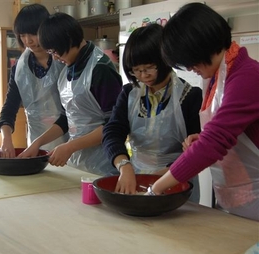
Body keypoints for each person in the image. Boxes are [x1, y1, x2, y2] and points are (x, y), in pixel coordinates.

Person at [149, 3, 259, 221]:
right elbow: (230, 131)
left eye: (188, 61)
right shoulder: (216, 76)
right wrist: (201, 138)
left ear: (200, 46)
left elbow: (216, 140)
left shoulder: (247, 76)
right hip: (235, 196)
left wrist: (157, 187)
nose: (189, 68)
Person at [102, 24, 202, 202]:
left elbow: (196, 152)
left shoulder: (189, 96)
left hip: (176, 180)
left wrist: (160, 177)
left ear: (165, 60)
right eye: (136, 70)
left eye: (149, 68)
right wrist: (124, 166)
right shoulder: (129, 94)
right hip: (135, 177)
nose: (143, 76)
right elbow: (112, 132)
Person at [19, 12, 123, 177]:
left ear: (68, 39)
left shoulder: (100, 69)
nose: (55, 57)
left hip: (103, 164)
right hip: (78, 164)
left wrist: (70, 146)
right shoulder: (67, 69)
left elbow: (114, 126)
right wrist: (38, 143)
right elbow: (67, 118)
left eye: (54, 51)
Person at [0, 4, 68, 158]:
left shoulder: (64, 60)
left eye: (33, 34)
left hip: (70, 141)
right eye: (22, 35)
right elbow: (10, 106)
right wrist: (6, 138)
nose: (28, 41)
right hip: (37, 144)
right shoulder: (20, 69)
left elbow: (71, 111)